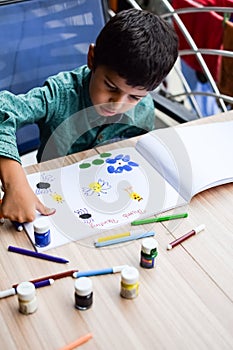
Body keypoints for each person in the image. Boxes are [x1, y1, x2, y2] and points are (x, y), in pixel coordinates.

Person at [0, 8, 178, 223]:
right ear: (92, 58)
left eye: (135, 97)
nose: (118, 104)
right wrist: (15, 183)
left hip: (108, 202)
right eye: (111, 86)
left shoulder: (144, 107)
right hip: (53, 200)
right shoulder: (59, 95)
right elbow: (3, 110)